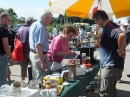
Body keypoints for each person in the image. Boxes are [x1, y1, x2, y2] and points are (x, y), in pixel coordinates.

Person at [93, 10, 126, 97]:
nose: (96, 23)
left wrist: (120, 50)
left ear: (100, 19)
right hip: (110, 66)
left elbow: (122, 35)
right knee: (110, 93)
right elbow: (100, 44)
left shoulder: (110, 26)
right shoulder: (107, 28)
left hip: (110, 66)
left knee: (105, 94)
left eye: (96, 21)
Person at [29, 10, 52, 81]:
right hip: (39, 56)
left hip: (33, 54)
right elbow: (38, 46)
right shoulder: (41, 27)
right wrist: (43, 62)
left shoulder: (34, 24)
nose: (50, 21)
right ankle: (41, 92)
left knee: (36, 77)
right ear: (45, 18)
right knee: (42, 79)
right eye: (50, 19)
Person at [0, 12, 14, 86]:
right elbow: (6, 45)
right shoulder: (4, 29)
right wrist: (11, 57)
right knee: (2, 76)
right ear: (3, 19)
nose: (9, 22)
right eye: (8, 20)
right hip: (1, 56)